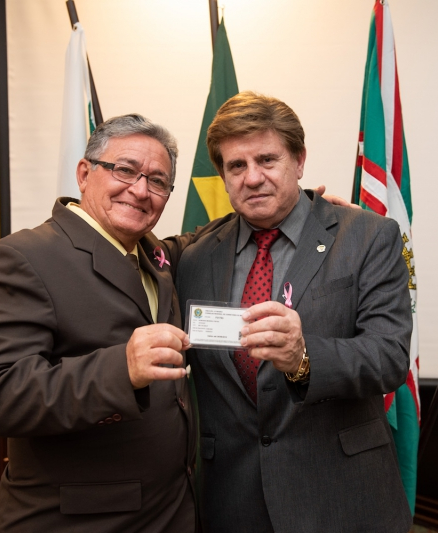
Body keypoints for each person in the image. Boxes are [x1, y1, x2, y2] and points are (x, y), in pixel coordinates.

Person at [175, 92, 413, 532]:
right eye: (236, 166)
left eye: (267, 160)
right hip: (232, 502)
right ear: (223, 177)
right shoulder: (195, 258)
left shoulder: (367, 237)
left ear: (299, 161)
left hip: (341, 498)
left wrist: (303, 358)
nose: (252, 178)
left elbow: (389, 358)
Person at [0, 114, 199, 532]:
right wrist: (120, 370)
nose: (140, 190)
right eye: (125, 170)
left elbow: (207, 237)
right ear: (85, 174)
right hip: (79, 521)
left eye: (158, 181)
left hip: (169, 511)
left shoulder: (152, 255)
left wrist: (300, 207)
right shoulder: (23, 257)